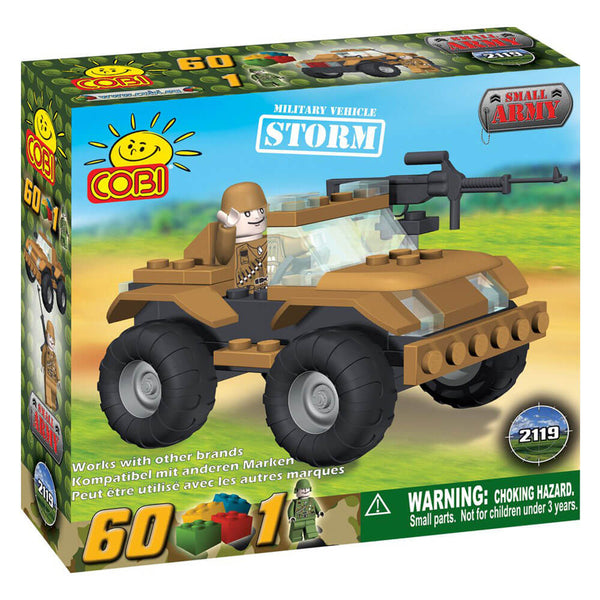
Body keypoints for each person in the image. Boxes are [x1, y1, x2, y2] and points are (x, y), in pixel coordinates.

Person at [215, 182, 268, 291]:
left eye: (261, 210)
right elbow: (223, 257)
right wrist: (228, 227)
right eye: (247, 213)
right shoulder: (232, 248)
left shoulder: (269, 241)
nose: (258, 216)